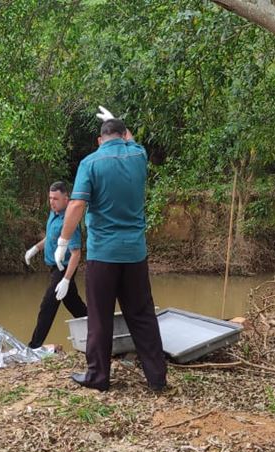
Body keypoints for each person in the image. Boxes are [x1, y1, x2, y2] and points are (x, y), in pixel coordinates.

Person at [56, 107, 167, 392]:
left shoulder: (91, 163)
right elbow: (128, 138)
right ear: (122, 135)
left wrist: (63, 241)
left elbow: (77, 204)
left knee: (100, 315)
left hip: (103, 254)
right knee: (142, 315)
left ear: (99, 139)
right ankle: (156, 378)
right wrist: (117, 119)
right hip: (134, 254)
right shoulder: (138, 155)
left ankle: (99, 377)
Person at [24, 181, 87, 349]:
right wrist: (35, 249)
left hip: (64, 269)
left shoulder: (69, 220)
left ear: (66, 199)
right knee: (75, 305)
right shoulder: (54, 213)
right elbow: (51, 237)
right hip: (54, 268)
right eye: (50, 198)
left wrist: (66, 280)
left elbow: (76, 254)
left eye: (56, 199)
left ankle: (34, 347)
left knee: (48, 305)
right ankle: (100, 330)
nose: (52, 202)